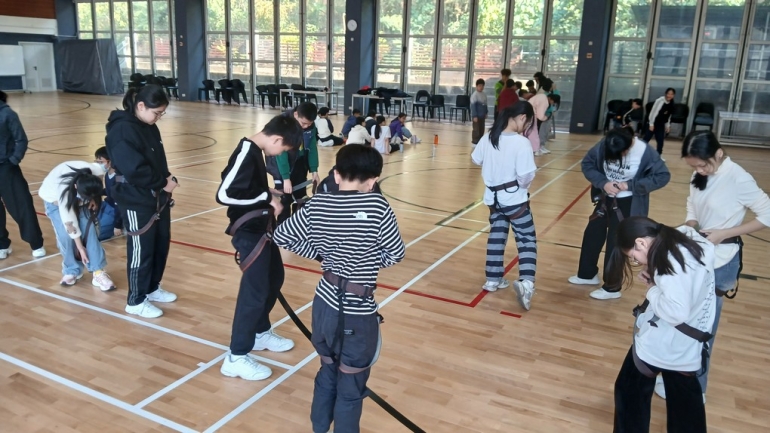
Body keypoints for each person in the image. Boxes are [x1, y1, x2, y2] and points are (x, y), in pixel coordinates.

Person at [272, 144, 405, 433]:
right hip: (357, 312)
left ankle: (319, 428)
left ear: (336, 174)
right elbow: (396, 253)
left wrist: (321, 255)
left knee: (328, 370)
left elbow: (282, 235)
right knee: (351, 386)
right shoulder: (377, 206)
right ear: (373, 181)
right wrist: (368, 258)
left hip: (323, 304)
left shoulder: (317, 204)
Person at [653, 130, 770, 401]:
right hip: (700, 254)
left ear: (718, 153)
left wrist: (725, 233)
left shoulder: (738, 178)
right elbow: (692, 203)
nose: (699, 171)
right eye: (694, 167)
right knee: (684, 317)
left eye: (703, 165)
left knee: (702, 327)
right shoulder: (701, 173)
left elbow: (767, 214)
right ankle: (677, 373)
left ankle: (697, 389)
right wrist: (691, 223)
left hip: (722, 261)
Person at [605, 216, 714, 433]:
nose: (638, 261)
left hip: (663, 343)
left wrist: (653, 289)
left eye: (634, 256)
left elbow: (676, 312)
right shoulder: (686, 240)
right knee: (685, 403)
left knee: (628, 391)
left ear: (641, 242)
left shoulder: (668, 262)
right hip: (688, 344)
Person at [215, 114, 304, 380]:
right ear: (276, 139)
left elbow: (244, 186)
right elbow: (224, 193)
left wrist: (267, 194)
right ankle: (236, 356)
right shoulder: (246, 151)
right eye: (283, 149)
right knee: (254, 292)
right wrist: (266, 196)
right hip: (248, 231)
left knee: (274, 277)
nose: (281, 155)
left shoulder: (254, 152)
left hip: (261, 227)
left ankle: (259, 332)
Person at [569, 127, 670, 300]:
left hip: (629, 203)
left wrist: (630, 185)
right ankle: (587, 274)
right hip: (605, 199)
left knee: (616, 243)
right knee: (592, 233)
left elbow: (663, 176)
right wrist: (603, 183)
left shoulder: (645, 151)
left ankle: (612, 287)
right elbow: (587, 164)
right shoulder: (606, 144)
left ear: (629, 145)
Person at [106, 84, 178, 319]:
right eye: (156, 112)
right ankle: (135, 300)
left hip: (157, 196)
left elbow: (158, 161)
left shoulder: (149, 127)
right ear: (140, 106)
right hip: (135, 198)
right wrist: (162, 182)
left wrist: (167, 180)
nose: (158, 117)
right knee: (141, 249)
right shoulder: (121, 130)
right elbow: (134, 169)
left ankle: (152, 288)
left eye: (161, 113)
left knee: (160, 244)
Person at [471, 103, 538, 311]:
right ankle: (527, 283)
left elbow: (475, 159)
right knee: (526, 240)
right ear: (522, 117)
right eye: (527, 122)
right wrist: (520, 187)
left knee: (496, 236)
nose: (526, 126)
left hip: (493, 199)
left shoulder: (489, 136)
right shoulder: (521, 143)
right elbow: (526, 175)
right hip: (514, 199)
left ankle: (492, 279)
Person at [39, 162, 116, 291]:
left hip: (82, 192)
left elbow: (96, 187)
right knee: (65, 236)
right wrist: (80, 248)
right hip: (55, 201)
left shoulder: (96, 172)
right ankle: (72, 270)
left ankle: (98, 271)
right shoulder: (63, 190)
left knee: (90, 232)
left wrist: (93, 199)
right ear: (76, 187)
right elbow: (70, 224)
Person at [0, 90, 46, 260]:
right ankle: (2, 244)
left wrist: (13, 161)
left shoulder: (7, 114)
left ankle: (36, 243)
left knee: (21, 206)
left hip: (6, 168)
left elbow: (21, 139)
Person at [267, 102, 321, 224]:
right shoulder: (283, 124)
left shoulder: (310, 127)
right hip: (280, 165)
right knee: (285, 199)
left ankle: (298, 227)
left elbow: (312, 147)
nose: (306, 127)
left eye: (309, 124)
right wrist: (286, 178)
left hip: (299, 162)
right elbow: (281, 154)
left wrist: (314, 170)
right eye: (303, 123)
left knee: (301, 197)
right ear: (296, 115)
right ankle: (282, 228)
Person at [94, 146, 123, 240]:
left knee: (98, 233)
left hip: (115, 210)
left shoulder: (119, 178)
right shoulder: (107, 174)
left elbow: (120, 203)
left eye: (101, 162)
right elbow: (109, 190)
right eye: (97, 162)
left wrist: (118, 225)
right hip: (107, 204)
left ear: (110, 161)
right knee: (90, 223)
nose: (98, 165)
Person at [643, 88, 676, 158]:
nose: (669, 95)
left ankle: (659, 155)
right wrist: (651, 124)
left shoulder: (672, 104)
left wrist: (668, 126)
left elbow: (668, 116)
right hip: (653, 123)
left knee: (660, 141)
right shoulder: (660, 100)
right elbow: (653, 112)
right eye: (668, 94)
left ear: (673, 95)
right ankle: (640, 153)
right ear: (665, 94)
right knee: (646, 139)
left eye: (671, 94)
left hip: (661, 124)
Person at [470, 78, 488, 146]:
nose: (481, 87)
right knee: (476, 129)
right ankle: (475, 142)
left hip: (482, 116)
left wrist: (486, 112)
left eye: (482, 86)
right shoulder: (474, 95)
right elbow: (473, 106)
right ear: (476, 86)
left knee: (481, 129)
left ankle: (480, 142)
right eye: (480, 86)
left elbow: (485, 105)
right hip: (476, 116)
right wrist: (474, 116)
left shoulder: (484, 94)